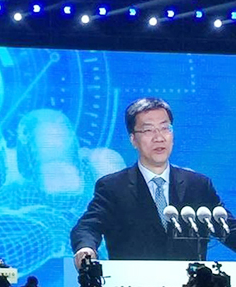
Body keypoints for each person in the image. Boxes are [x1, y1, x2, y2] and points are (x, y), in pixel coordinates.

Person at [71, 97, 236, 268]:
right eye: (148, 130)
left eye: (165, 128)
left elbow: (228, 228)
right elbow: (88, 226)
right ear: (133, 139)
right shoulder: (113, 187)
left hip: (191, 284)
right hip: (134, 282)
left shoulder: (198, 185)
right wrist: (85, 248)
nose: (159, 137)